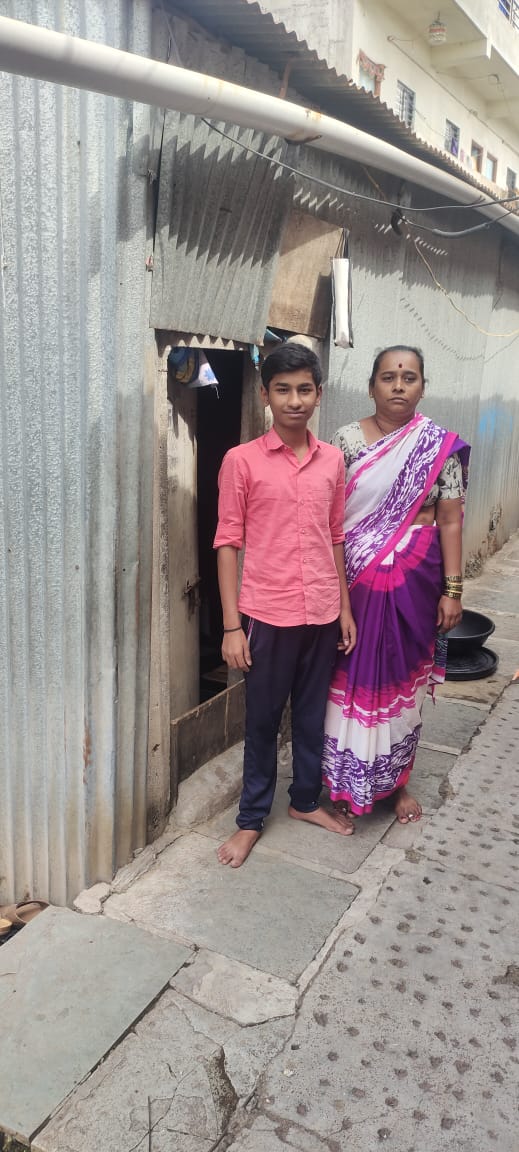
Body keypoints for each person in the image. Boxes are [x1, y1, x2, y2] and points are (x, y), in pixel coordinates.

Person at [213, 342, 357, 867]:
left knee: (313, 715)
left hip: (322, 611)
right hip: (267, 614)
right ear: (265, 395)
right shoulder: (242, 461)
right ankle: (251, 819)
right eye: (282, 390)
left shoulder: (333, 461)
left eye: (304, 389)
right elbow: (227, 542)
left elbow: (335, 536)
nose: (294, 400)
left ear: (319, 394)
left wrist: (344, 609)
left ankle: (304, 801)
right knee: (263, 721)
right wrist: (232, 626)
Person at [322, 345, 470, 824]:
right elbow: (331, 519)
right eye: (388, 377)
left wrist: (453, 590)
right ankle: (342, 783)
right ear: (372, 387)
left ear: (423, 387)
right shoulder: (346, 441)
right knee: (349, 678)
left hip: (416, 585)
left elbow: (450, 521)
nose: (399, 386)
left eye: (409, 378)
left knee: (404, 681)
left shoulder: (439, 447)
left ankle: (396, 783)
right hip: (356, 584)